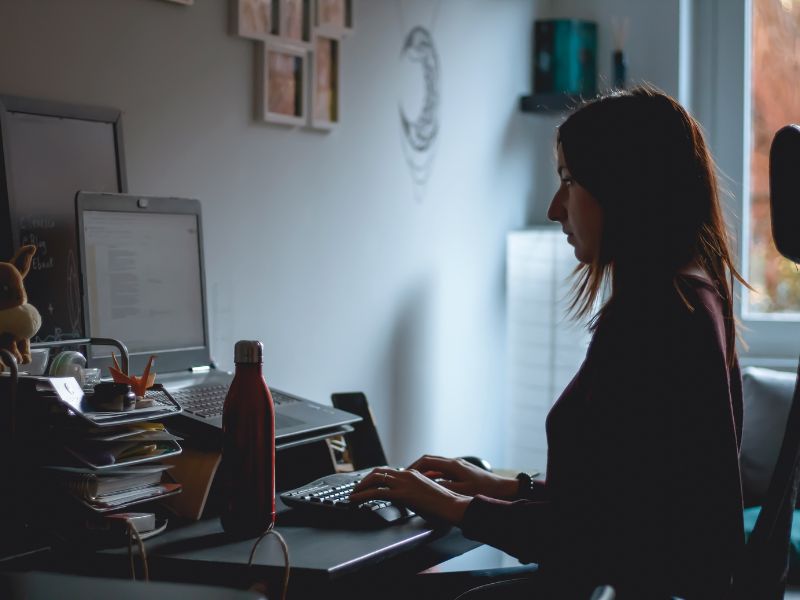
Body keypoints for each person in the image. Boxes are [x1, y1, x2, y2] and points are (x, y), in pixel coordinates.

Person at [350, 85, 747, 600]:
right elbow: (626, 497)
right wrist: (506, 488)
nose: (554, 207)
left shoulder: (655, 315)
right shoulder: (694, 297)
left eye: (568, 181)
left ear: (624, 186)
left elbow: (593, 538)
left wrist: (451, 505)